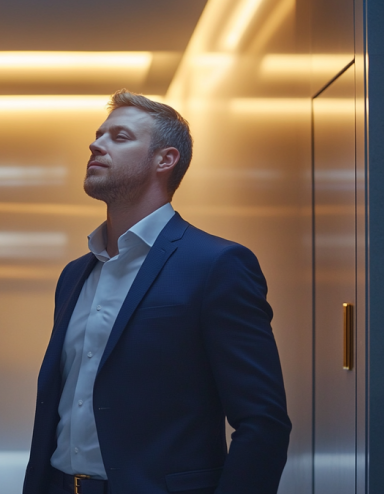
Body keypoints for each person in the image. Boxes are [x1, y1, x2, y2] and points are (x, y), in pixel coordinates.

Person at [23, 89, 291, 494]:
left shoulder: (217, 265)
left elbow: (263, 422)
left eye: (120, 136)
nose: (96, 144)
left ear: (165, 160)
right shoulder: (75, 274)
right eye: (98, 134)